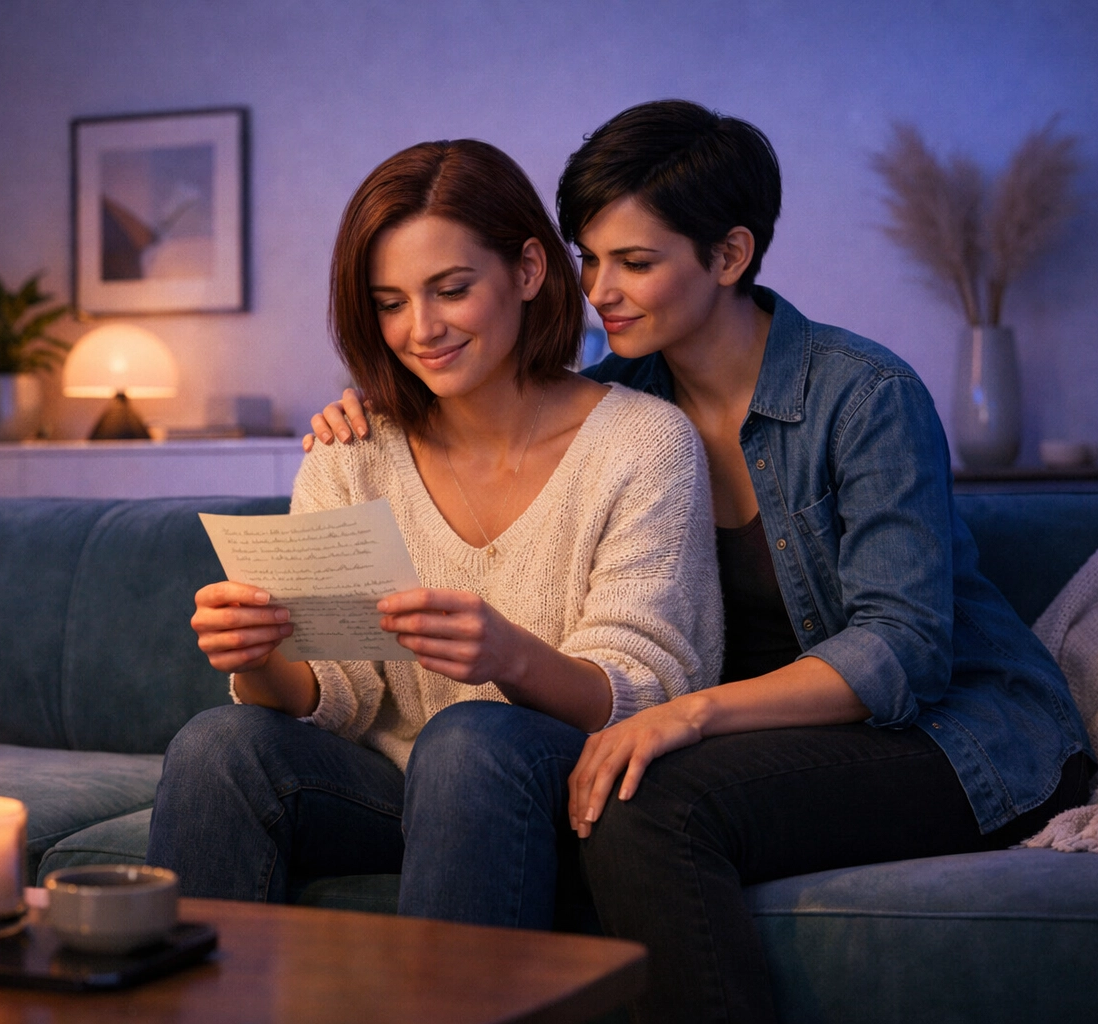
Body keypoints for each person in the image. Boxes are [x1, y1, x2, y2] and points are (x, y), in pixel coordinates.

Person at [305, 101, 1093, 1023]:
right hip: (755, 739)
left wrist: (689, 714)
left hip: (954, 735)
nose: (602, 290)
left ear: (728, 256)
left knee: (648, 805)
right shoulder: (614, 412)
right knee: (616, 788)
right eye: (590, 259)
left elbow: (902, 651)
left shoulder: (864, 393)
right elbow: (490, 401)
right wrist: (374, 405)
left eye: (637, 263)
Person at [145, 138, 723, 931]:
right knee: (220, 743)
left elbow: (646, 690)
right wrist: (263, 659)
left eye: (450, 290)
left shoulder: (643, 444)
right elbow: (339, 694)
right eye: (389, 303)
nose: (421, 330)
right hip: (395, 790)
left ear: (527, 271)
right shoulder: (352, 454)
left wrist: (508, 656)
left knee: (467, 740)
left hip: (568, 784)